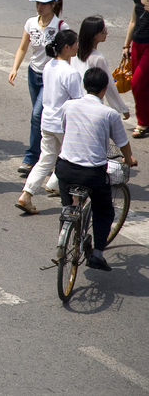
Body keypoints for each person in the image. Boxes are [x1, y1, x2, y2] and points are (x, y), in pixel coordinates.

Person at [55, 67, 137, 271]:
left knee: (68, 205)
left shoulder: (69, 105)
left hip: (65, 168)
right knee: (104, 211)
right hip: (92, 174)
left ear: (85, 85)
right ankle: (97, 254)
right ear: (105, 89)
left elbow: (66, 129)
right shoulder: (109, 114)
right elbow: (122, 142)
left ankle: (66, 231)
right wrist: (129, 158)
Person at [16, 30, 81, 214]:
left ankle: (27, 194)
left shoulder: (49, 65)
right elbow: (77, 101)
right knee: (73, 161)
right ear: (67, 48)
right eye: (75, 43)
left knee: (46, 159)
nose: (78, 46)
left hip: (47, 121)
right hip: (63, 124)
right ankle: (75, 200)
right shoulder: (71, 73)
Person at [8, 0, 68, 176]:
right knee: (40, 116)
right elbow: (23, 47)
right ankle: (49, 154)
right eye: (37, 3)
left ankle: (31, 157)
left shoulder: (61, 27)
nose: (39, 7)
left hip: (51, 77)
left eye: (43, 3)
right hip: (33, 73)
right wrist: (14, 68)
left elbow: (68, 54)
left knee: (36, 115)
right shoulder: (31, 23)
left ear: (53, 5)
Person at [72, 16, 129, 118]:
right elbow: (109, 85)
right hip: (92, 107)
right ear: (94, 35)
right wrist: (122, 109)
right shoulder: (98, 58)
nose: (106, 33)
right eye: (103, 31)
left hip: (74, 104)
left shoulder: (75, 53)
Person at [122, 0, 149, 137]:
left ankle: (143, 122)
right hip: (136, 44)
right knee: (142, 84)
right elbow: (133, 21)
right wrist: (126, 45)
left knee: (137, 82)